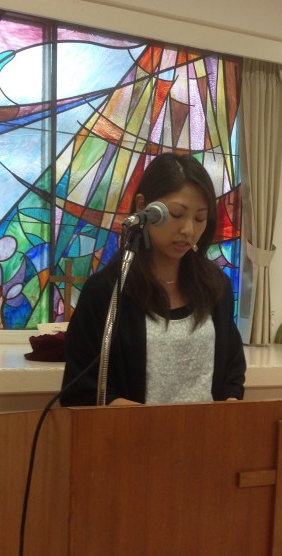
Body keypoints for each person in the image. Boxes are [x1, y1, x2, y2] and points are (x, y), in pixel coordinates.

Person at [60, 152, 246, 406]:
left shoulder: (216, 287)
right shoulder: (108, 291)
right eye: (176, 214)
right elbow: (82, 388)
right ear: (143, 206)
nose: (188, 230)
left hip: (208, 430)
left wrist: (231, 403)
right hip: (132, 430)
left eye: (200, 218)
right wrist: (148, 422)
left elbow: (232, 369)